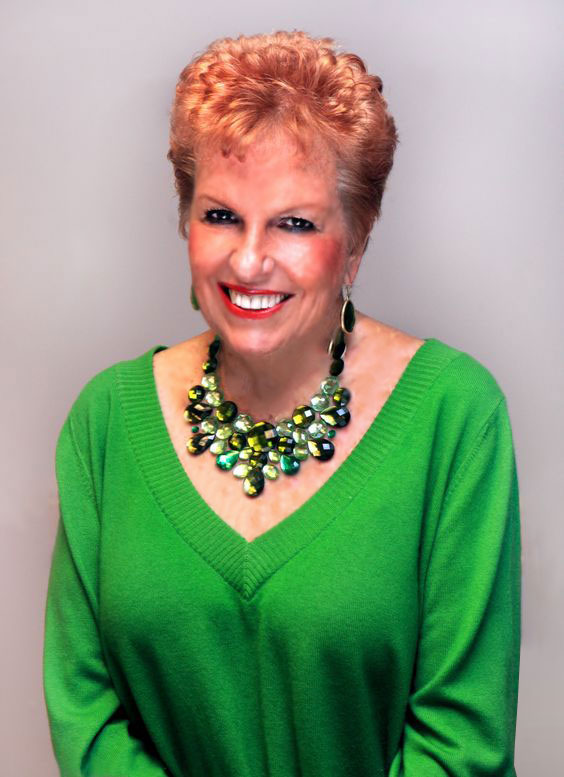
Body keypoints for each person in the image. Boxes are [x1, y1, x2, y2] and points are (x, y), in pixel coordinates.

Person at [43, 30, 521, 777]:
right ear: (184, 221)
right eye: (220, 215)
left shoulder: (455, 417)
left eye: (295, 223)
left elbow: (461, 748)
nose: (249, 259)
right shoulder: (105, 421)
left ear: (355, 241)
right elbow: (87, 718)